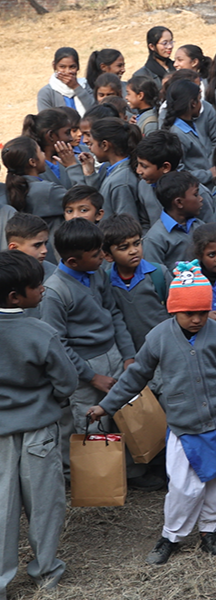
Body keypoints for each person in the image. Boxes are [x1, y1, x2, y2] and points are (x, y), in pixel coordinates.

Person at [86, 260, 216, 565]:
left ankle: (211, 530)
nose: (197, 319)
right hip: (184, 427)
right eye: (189, 313)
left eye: (202, 312)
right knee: (182, 486)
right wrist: (105, 405)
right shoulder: (159, 338)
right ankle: (171, 535)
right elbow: (135, 377)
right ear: (174, 310)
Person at [0, 250, 75, 597]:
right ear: (17, 297)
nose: (43, 289)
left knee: (2, 508)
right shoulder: (40, 331)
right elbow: (67, 382)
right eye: (37, 286)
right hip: (39, 432)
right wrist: (53, 399)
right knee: (44, 505)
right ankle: (45, 570)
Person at [99, 214, 170, 351]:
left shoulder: (158, 274)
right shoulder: (105, 283)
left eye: (137, 243)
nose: (134, 251)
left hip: (165, 349)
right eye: (124, 247)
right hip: (133, 354)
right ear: (107, 255)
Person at [143, 171, 204, 269]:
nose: (201, 199)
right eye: (196, 195)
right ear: (179, 202)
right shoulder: (155, 239)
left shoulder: (200, 227)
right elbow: (155, 275)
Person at [37, 47, 95, 114]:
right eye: (62, 67)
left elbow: (95, 111)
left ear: (78, 67)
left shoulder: (85, 86)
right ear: (54, 66)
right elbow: (45, 119)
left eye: (72, 67)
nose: (67, 71)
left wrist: (76, 87)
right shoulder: (47, 92)